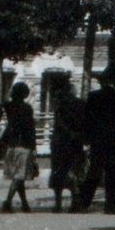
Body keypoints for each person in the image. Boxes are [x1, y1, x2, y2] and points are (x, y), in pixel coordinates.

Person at [79, 70, 115, 213]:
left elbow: (87, 119)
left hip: (97, 138)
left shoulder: (93, 97)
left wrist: (87, 138)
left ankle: (83, 202)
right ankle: (113, 205)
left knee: (94, 170)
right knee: (113, 172)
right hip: (113, 138)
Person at [48, 79, 87, 212]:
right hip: (75, 142)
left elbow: (58, 123)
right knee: (74, 171)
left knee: (59, 172)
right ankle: (74, 201)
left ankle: (58, 204)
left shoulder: (59, 104)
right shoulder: (81, 103)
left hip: (60, 142)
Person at [0, 82, 38, 212]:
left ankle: (25, 203)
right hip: (24, 144)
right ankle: (7, 201)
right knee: (20, 175)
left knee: (18, 176)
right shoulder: (27, 108)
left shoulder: (8, 106)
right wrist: (33, 147)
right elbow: (30, 128)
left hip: (11, 143)